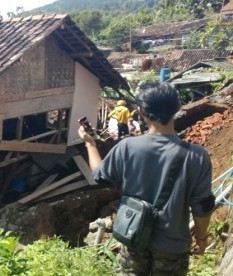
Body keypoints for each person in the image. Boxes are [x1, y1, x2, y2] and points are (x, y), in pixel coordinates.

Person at [78, 83, 215, 275]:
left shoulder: (127, 147)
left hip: (133, 237)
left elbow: (100, 176)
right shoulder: (197, 156)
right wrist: (202, 238)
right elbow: (202, 206)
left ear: (141, 112)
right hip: (172, 246)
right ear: (178, 108)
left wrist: (90, 145)